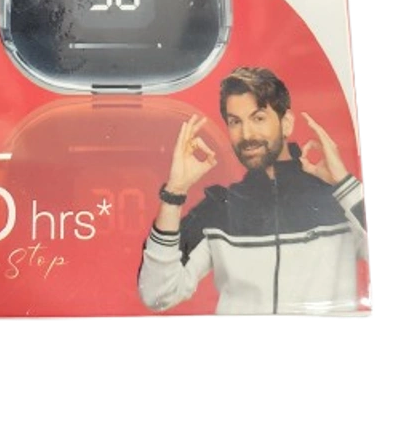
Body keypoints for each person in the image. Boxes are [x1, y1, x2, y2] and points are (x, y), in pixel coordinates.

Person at [138, 66, 368, 316]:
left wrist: (344, 182)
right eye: (235, 122)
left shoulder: (340, 201)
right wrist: (174, 191)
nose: (246, 134)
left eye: (258, 118)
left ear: (286, 123)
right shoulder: (219, 209)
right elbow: (157, 294)